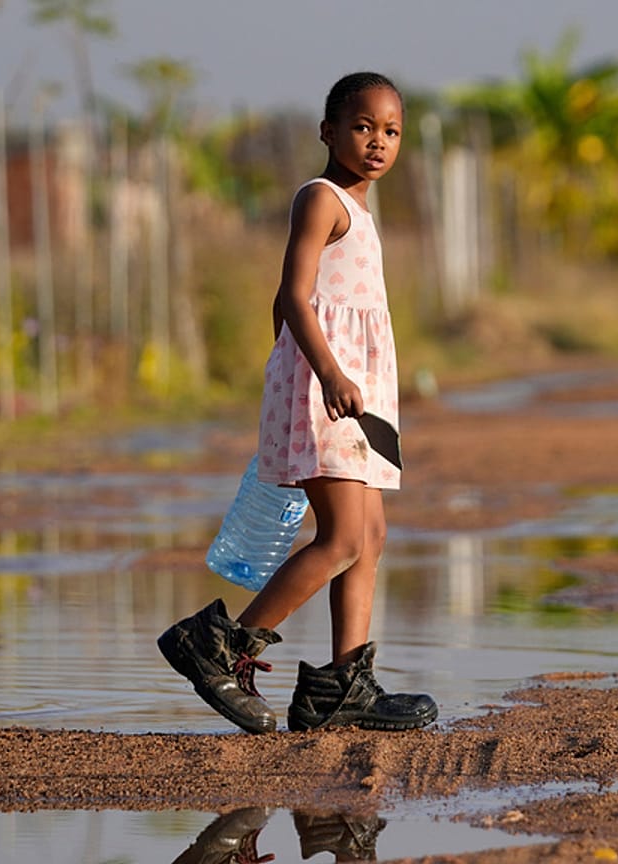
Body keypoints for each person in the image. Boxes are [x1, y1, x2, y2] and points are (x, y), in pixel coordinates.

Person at [158, 72, 437, 734]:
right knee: (340, 536)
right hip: (329, 387)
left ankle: (341, 688)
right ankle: (221, 644)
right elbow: (292, 295)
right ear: (329, 132)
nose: (377, 142)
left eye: (391, 131)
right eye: (363, 127)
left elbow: (287, 309)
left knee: (369, 536)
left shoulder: (362, 213)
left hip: (352, 391)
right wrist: (320, 373)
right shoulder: (321, 199)